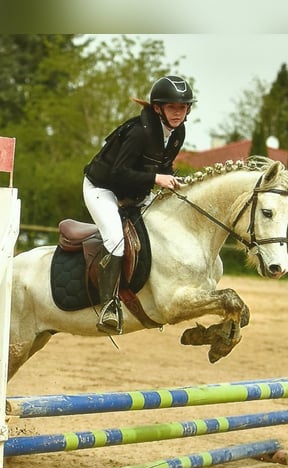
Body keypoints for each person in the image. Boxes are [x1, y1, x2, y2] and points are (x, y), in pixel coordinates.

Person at [83, 74, 196, 335]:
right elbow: (117, 173)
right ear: (157, 108)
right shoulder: (138, 132)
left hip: (136, 192)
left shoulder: (178, 132)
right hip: (103, 188)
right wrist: (158, 178)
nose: (178, 113)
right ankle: (109, 306)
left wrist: (175, 180)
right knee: (115, 239)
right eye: (172, 107)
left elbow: (163, 166)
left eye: (182, 108)